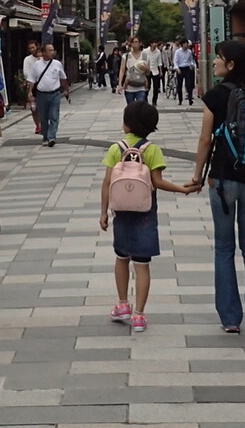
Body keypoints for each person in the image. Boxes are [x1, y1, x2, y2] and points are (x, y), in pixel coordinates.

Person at [190, 38, 245, 334]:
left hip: (224, 179)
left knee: (224, 247)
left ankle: (230, 318)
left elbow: (205, 140)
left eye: (219, 58)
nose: (214, 62)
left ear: (230, 65)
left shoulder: (216, 96)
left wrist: (197, 175)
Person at [99, 100, 194, 334]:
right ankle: (139, 314)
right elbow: (158, 182)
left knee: (121, 258)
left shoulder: (115, 148)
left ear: (127, 124)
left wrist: (103, 212)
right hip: (145, 213)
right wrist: (182, 189)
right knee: (142, 264)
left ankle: (122, 304)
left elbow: (107, 183)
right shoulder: (152, 150)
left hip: (121, 211)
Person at [29, 42, 68, 146]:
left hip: (55, 94)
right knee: (43, 117)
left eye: (53, 50)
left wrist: (66, 89)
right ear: (44, 53)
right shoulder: (36, 65)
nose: (52, 52)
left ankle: (52, 137)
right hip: (41, 95)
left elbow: (63, 78)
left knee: (54, 116)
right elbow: (32, 80)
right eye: (50, 50)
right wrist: (29, 91)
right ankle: (45, 136)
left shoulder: (57, 64)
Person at [22, 44, 47, 135]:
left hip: (43, 85)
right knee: (34, 108)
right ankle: (38, 125)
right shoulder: (28, 60)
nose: (32, 50)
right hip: (32, 85)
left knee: (43, 107)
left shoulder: (45, 61)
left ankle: (42, 125)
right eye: (30, 48)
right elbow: (26, 72)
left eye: (33, 47)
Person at [120, 41, 151, 105]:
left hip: (141, 86)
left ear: (140, 43)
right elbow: (122, 70)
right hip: (129, 86)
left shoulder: (145, 56)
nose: (134, 44)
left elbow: (148, 73)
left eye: (136, 42)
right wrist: (120, 84)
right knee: (131, 108)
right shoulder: (126, 56)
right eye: (133, 42)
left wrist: (146, 69)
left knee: (140, 107)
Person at [144, 40, 167, 104]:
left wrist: (161, 71)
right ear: (151, 44)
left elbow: (159, 62)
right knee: (147, 86)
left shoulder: (158, 52)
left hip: (155, 70)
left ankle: (154, 100)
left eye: (156, 43)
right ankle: (145, 99)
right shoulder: (145, 51)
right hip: (148, 70)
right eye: (154, 43)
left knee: (156, 87)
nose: (155, 44)